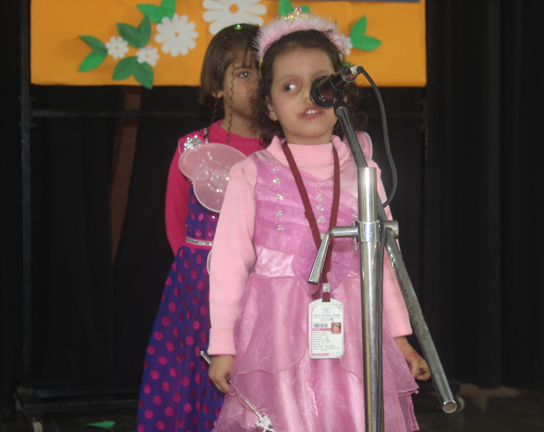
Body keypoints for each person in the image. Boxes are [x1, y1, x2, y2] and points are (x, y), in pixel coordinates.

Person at [207, 10, 430, 431]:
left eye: (322, 84)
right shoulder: (251, 172)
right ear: (270, 106)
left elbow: (387, 262)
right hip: (276, 337)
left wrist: (399, 338)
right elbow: (228, 266)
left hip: (356, 334)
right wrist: (223, 345)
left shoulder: (365, 170)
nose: (308, 96)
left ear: (341, 94)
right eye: (289, 86)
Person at [136, 23, 264, 432]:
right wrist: (200, 277)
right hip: (198, 289)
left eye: (264, 72)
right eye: (244, 73)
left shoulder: (281, 150)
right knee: (193, 378)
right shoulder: (192, 148)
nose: (257, 83)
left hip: (263, 284)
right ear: (216, 86)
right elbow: (176, 223)